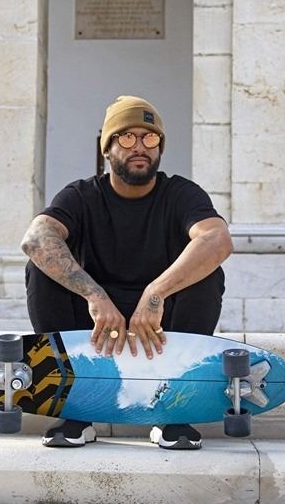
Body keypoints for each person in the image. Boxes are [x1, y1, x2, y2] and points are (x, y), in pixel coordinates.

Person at [20, 95, 233, 449]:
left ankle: (173, 411)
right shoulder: (81, 195)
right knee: (41, 269)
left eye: (150, 138)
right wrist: (94, 295)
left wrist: (155, 293)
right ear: (107, 147)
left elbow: (218, 239)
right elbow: (36, 238)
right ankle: (75, 410)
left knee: (208, 271)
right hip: (97, 326)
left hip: (160, 322)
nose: (140, 147)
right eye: (127, 137)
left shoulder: (181, 194)